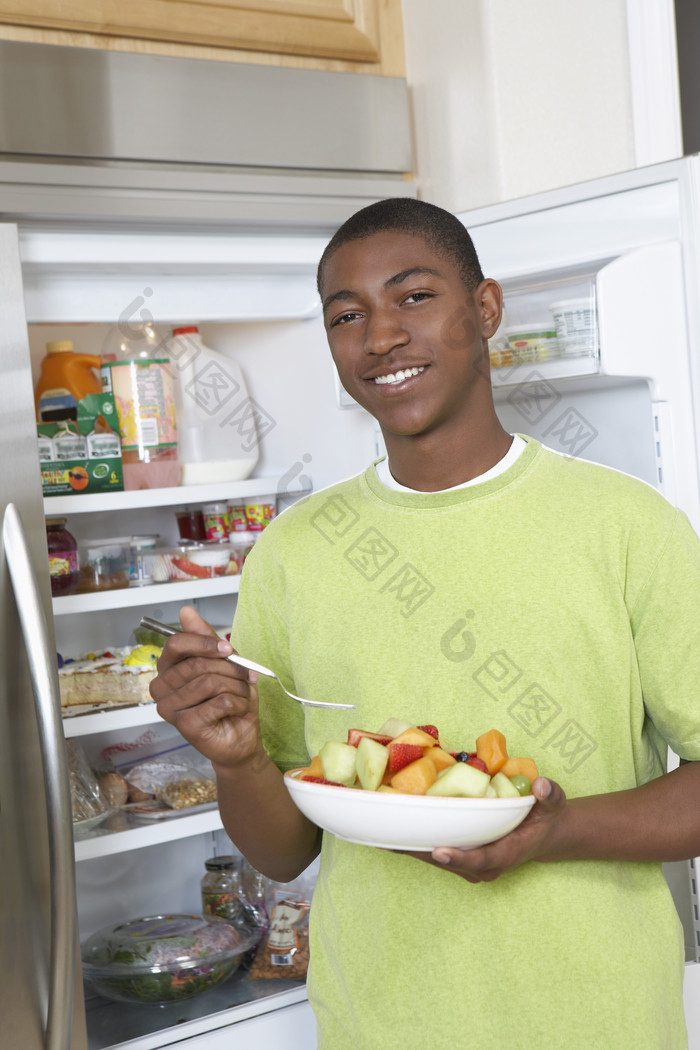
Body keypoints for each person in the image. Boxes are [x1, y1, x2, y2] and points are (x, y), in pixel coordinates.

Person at [151, 197, 700, 1049]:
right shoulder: (294, 551)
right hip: (379, 1023)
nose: (379, 337)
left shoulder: (630, 526)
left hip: (600, 1020)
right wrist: (238, 756)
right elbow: (282, 850)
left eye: (413, 297)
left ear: (485, 309)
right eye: (347, 315)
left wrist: (554, 833)